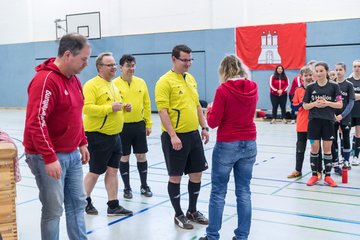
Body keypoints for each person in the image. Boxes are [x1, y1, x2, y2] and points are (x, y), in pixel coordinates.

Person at [23, 33, 91, 240]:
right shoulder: (45, 81)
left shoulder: (74, 80)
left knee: (78, 204)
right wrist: (50, 158)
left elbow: (76, 114)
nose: (86, 64)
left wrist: (82, 142)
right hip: (47, 157)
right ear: (68, 55)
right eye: (84, 59)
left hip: (71, 155)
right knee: (53, 210)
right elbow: (36, 122)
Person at [199, 55, 258, 240]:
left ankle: (212, 236)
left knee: (218, 192)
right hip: (249, 142)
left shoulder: (223, 90)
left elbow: (214, 122)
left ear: (224, 71)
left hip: (228, 143)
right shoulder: (253, 87)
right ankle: (242, 236)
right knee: (244, 191)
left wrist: (210, 109)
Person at [155, 44, 209, 230]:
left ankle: (192, 210)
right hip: (175, 137)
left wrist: (204, 127)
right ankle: (178, 214)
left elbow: (196, 106)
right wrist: (173, 135)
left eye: (190, 60)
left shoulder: (191, 78)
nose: (188, 64)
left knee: (197, 173)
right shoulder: (164, 81)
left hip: (193, 135)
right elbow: (162, 111)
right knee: (175, 176)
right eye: (184, 60)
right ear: (174, 59)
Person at [82, 52, 133, 216]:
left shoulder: (113, 85)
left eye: (114, 65)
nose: (113, 68)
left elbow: (113, 106)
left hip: (115, 136)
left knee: (112, 171)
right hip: (98, 136)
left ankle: (113, 205)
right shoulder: (91, 85)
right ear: (100, 67)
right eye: (109, 65)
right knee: (96, 171)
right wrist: (110, 108)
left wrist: (124, 107)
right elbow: (87, 108)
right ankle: (83, 201)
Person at [113, 54, 153, 199]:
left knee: (141, 155)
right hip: (122, 126)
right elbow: (111, 104)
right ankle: (127, 188)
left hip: (139, 125)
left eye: (133, 65)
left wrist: (148, 123)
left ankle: (144, 185)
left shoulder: (141, 82)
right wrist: (123, 106)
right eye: (128, 66)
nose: (131, 68)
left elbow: (147, 104)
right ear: (121, 67)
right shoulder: (114, 84)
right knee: (124, 157)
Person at [303, 61, 343, 187]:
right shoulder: (310, 87)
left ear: (326, 71)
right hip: (314, 121)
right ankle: (314, 175)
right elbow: (304, 106)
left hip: (328, 122)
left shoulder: (334, 86)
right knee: (315, 148)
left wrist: (327, 103)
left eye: (321, 71)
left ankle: (328, 176)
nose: (319, 73)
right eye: (317, 71)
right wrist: (315, 104)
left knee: (327, 149)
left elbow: (340, 104)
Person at [287, 66, 314, 178]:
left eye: (310, 75)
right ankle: (298, 170)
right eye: (305, 75)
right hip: (302, 124)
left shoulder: (316, 88)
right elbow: (293, 107)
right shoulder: (298, 90)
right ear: (301, 77)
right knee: (300, 149)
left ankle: (316, 172)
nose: (308, 77)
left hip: (314, 125)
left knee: (315, 149)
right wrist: (303, 103)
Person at [331, 63, 354, 174]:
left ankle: (346, 160)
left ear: (344, 71)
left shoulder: (348, 85)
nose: (338, 72)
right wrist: (334, 116)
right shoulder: (332, 85)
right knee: (333, 139)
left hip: (345, 117)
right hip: (333, 117)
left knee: (345, 139)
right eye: (336, 69)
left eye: (340, 69)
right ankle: (335, 162)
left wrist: (342, 115)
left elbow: (351, 103)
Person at [348, 59, 360, 166]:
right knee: (345, 132)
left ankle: (356, 155)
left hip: (359, 111)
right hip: (350, 111)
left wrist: (354, 96)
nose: (357, 68)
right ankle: (347, 155)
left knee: (358, 133)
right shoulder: (349, 80)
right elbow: (347, 95)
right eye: (355, 66)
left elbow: (351, 95)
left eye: (359, 66)